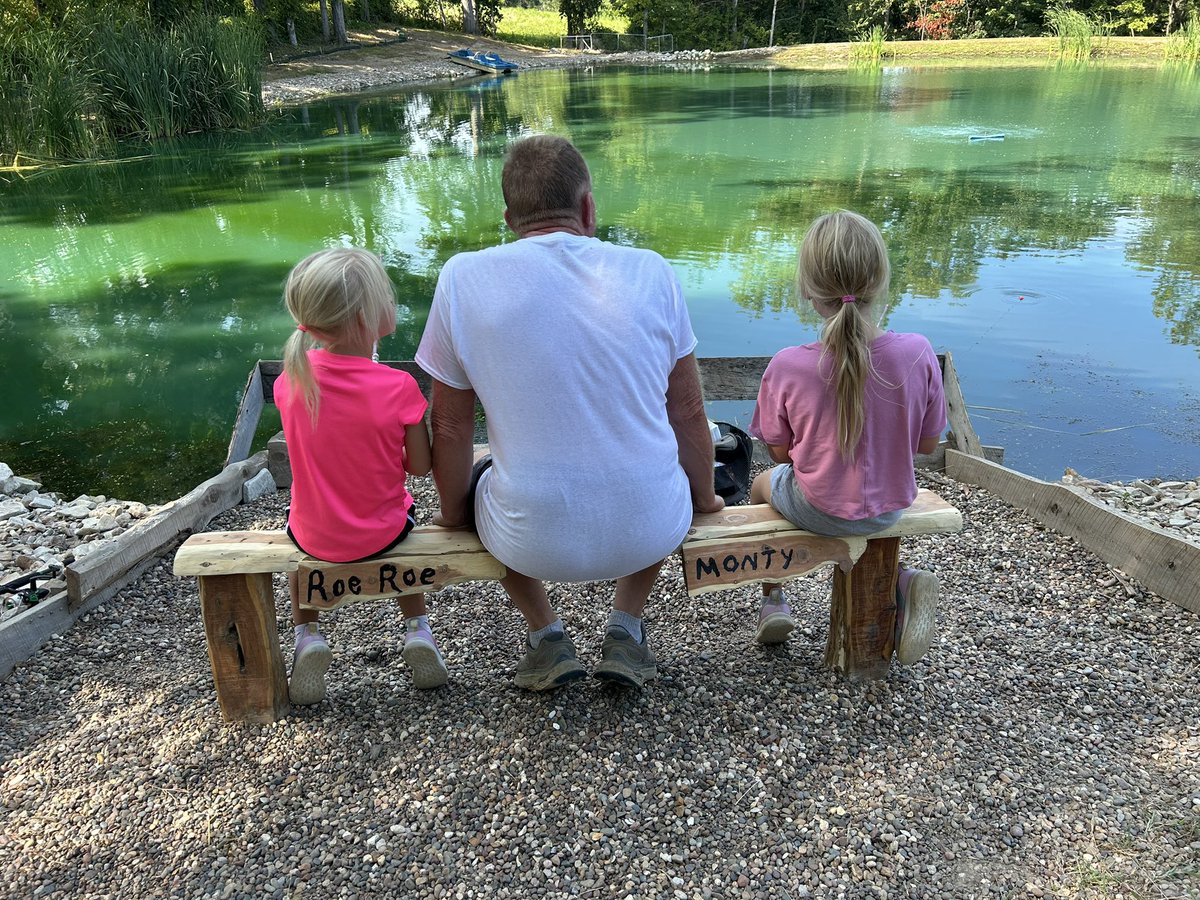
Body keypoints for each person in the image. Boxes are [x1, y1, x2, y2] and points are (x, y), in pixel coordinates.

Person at [415, 134, 724, 691]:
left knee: (489, 472)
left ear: (510, 218)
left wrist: (456, 517)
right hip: (649, 525)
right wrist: (703, 498)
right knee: (656, 465)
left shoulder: (461, 278)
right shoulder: (652, 270)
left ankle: (545, 637)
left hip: (527, 537)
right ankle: (626, 627)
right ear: (587, 208)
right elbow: (688, 409)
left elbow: (452, 426)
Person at [748, 210, 947, 663]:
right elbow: (927, 447)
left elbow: (780, 453)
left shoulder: (788, 364)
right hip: (890, 508)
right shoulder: (917, 352)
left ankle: (774, 595)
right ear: (880, 282)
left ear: (809, 293)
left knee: (763, 483)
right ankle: (899, 578)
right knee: (860, 499)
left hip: (817, 509)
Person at [274, 247, 447, 705]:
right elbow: (420, 467)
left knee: (298, 548)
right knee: (403, 523)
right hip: (384, 534)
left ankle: (308, 635)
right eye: (386, 297)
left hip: (315, 536)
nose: (392, 304)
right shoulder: (398, 387)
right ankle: (417, 630)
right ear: (362, 318)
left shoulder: (289, 380)